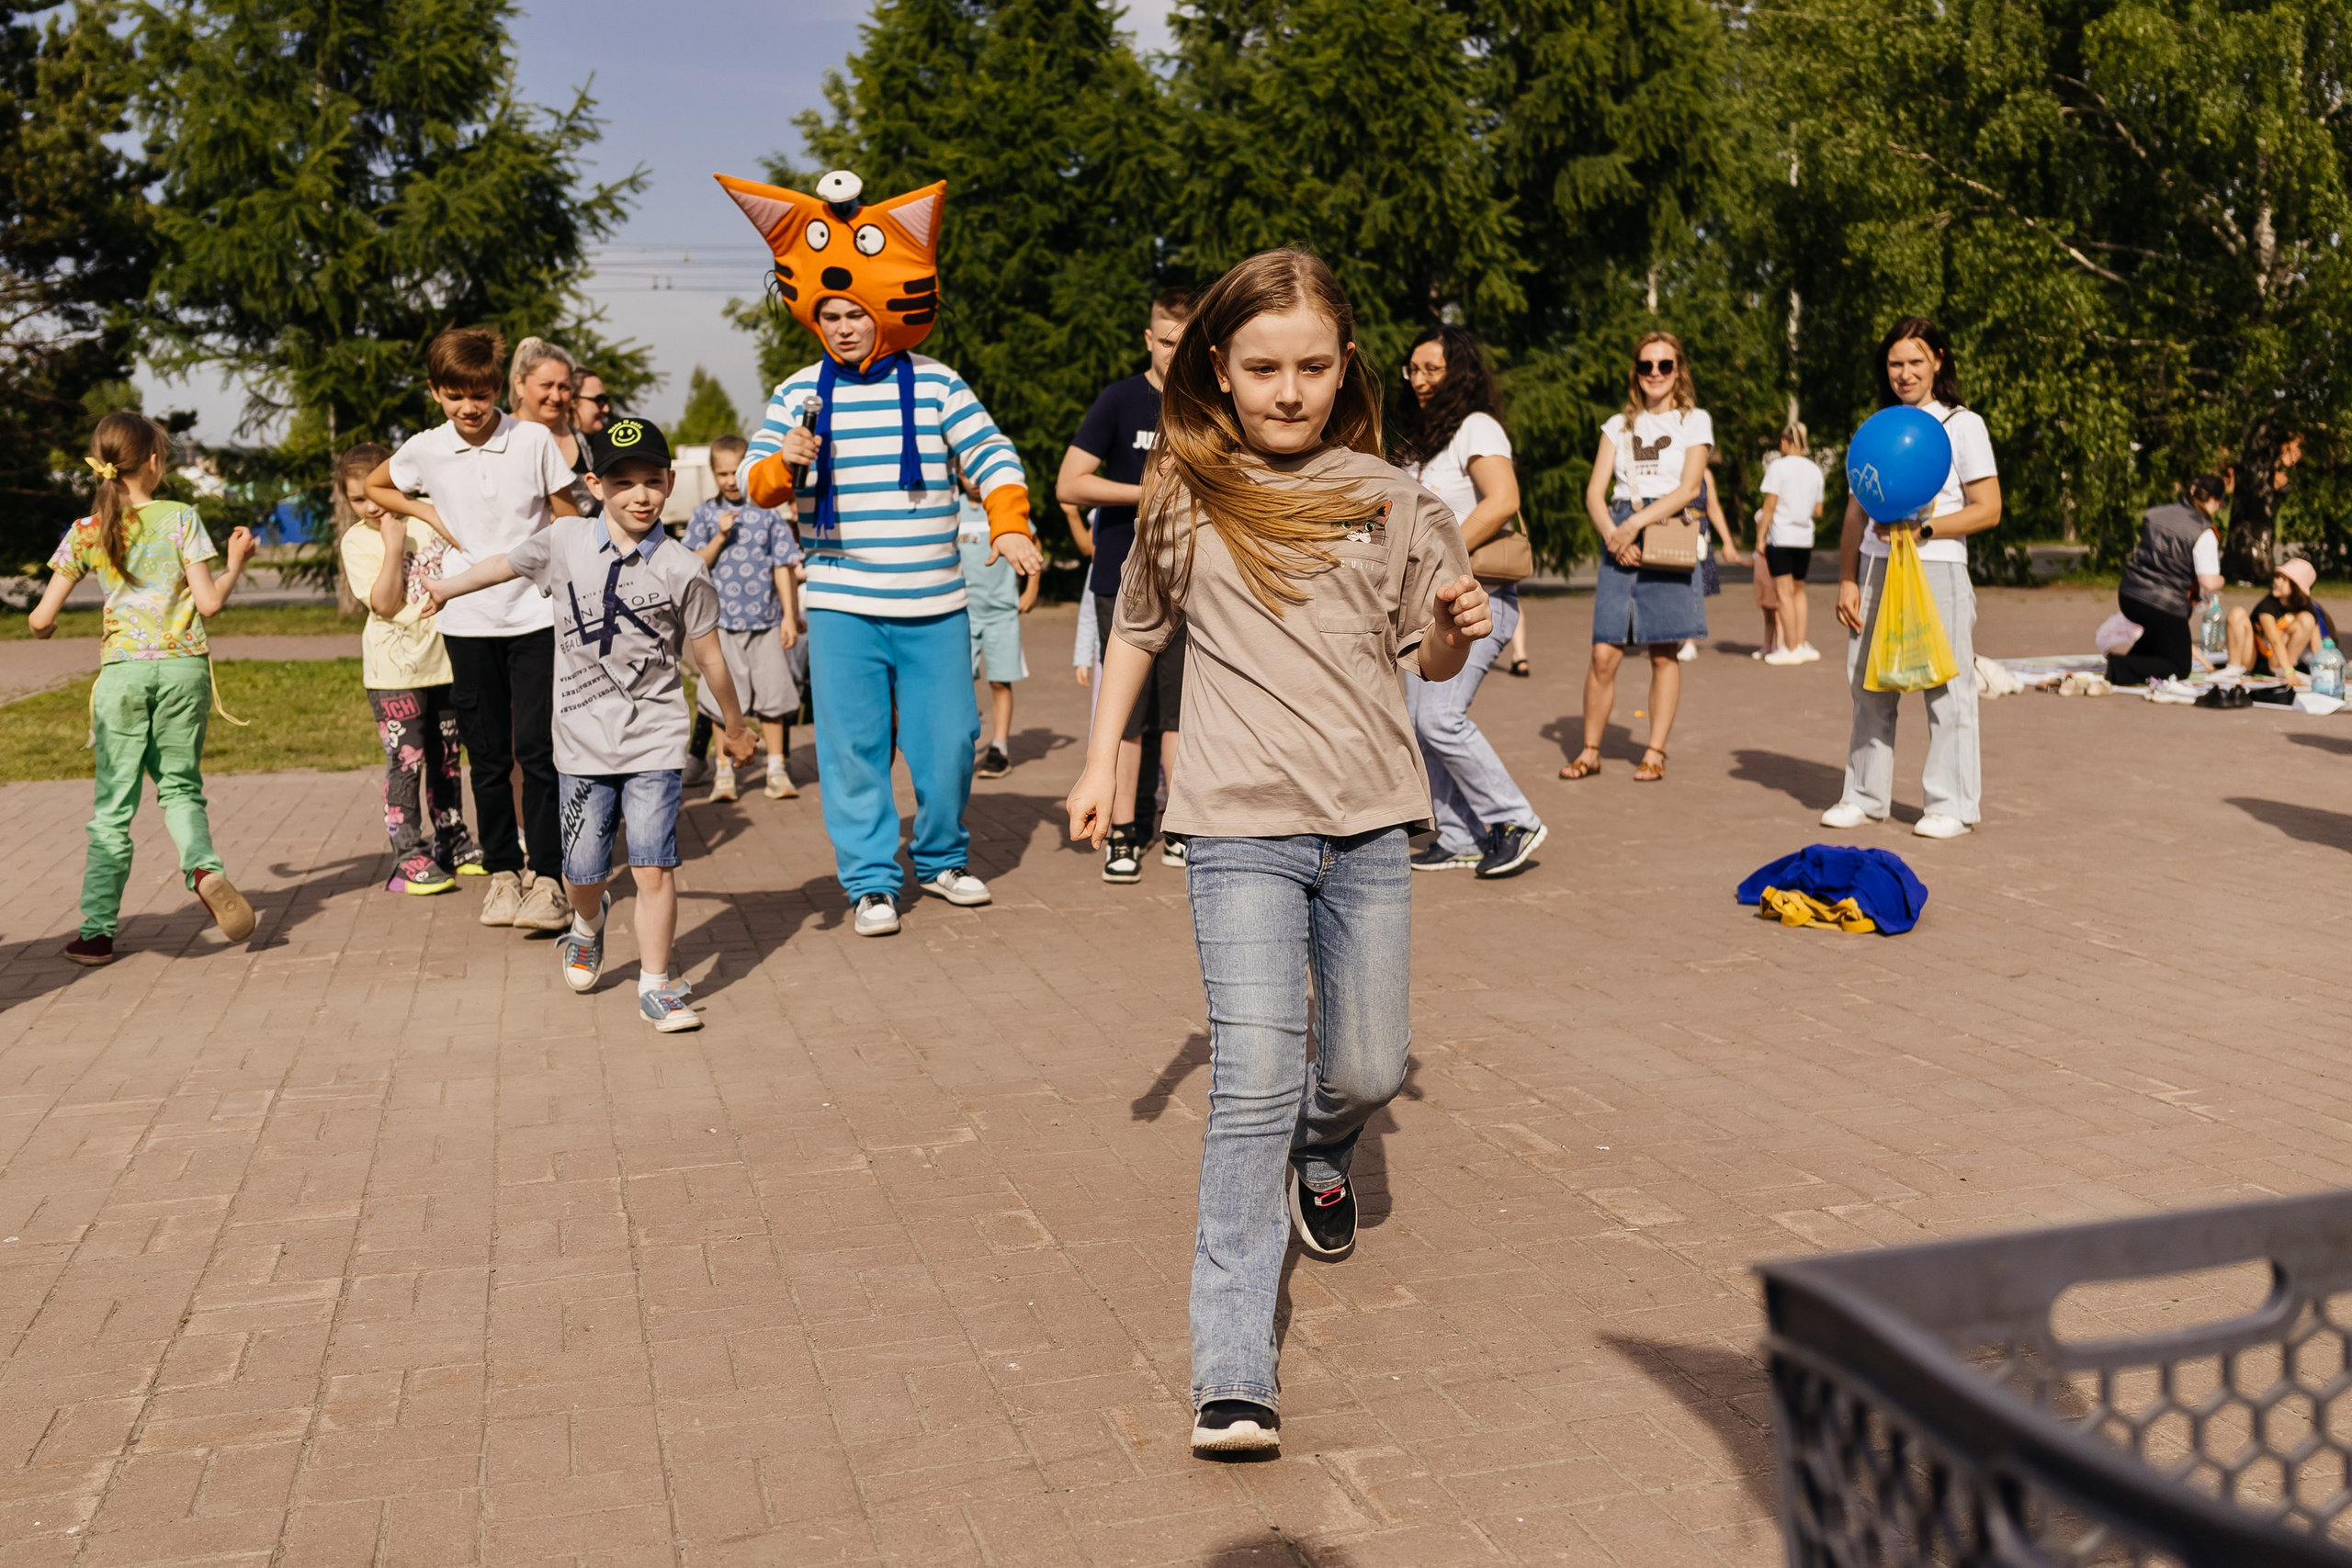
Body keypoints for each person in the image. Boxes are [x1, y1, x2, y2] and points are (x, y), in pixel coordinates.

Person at [1066, 249, 1488, 1459]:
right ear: (1220, 369)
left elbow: (1432, 657)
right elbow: (1139, 630)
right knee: (1250, 1075)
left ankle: (1329, 1136)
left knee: (1366, 1064)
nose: (1288, 390)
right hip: (1236, 821)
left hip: (1367, 823)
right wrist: (1103, 764)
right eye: (1262, 368)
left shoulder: (1396, 496)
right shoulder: (1184, 492)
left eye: (1311, 365)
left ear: (1343, 365)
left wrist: (1459, 632)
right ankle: (1231, 1366)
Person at [720, 166, 1046, 937]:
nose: (841, 326)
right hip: (840, 601)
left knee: (949, 744)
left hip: (934, 600)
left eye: (854, 313)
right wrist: (782, 464)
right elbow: (747, 480)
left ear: (881, 313)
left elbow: (993, 454)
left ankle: (940, 859)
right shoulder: (797, 392)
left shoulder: (937, 384)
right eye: (829, 313)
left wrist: (1008, 520)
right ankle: (870, 880)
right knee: (853, 750)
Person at [427, 419, 755, 1032]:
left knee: (654, 865)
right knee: (583, 871)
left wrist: (733, 726)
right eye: (622, 480)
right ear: (594, 484)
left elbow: (711, 658)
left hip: (655, 738)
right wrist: (446, 588)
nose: (639, 494)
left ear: (668, 483)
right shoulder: (565, 540)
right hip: (579, 742)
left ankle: (656, 985)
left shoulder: (684, 567)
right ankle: (588, 920)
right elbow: (503, 565)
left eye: (651, 481)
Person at [368, 327, 582, 930]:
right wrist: (425, 510)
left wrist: (568, 570)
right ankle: (503, 875)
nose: (470, 407)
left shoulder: (533, 439)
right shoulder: (426, 448)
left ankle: (547, 878)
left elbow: (566, 513)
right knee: (485, 755)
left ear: (498, 390)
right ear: (435, 391)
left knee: (538, 751)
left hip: (536, 612)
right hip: (466, 617)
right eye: (456, 395)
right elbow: (376, 485)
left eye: (482, 394)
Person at [28, 412, 260, 964]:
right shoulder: (182, 517)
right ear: (154, 462)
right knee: (179, 788)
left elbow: (39, 620)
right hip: (183, 671)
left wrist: (51, 626)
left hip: (123, 676)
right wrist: (234, 564)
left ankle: (97, 932)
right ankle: (203, 869)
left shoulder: (87, 530)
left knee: (113, 807)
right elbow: (209, 603)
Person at [1821, 317, 2002, 840]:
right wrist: (1848, 578)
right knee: (1867, 683)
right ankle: (1863, 796)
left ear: (1938, 360)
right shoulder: (1877, 427)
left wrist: (1925, 528)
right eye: (1895, 363)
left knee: (1947, 686)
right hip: (1877, 567)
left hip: (1936, 566)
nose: (1904, 373)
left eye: (1915, 361)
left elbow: (1988, 509)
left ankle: (1953, 805)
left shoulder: (1961, 424)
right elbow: (1857, 510)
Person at [1392, 325, 1545, 877]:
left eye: (1434, 369)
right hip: (1427, 608)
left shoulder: (1477, 427)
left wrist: (1440, 548)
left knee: (1439, 719)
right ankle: (1456, 834)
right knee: (1414, 722)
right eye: (1414, 370)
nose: (1421, 380)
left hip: (1478, 601)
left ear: (1461, 371)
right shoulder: (1418, 438)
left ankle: (1514, 819)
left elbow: (1503, 500)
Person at [1060, 288, 1193, 881]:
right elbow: (1070, 484)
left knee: (1182, 713)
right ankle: (1120, 832)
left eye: (1187, 343)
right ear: (1148, 338)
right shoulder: (1119, 400)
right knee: (1130, 715)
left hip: (1194, 580)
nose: (1175, 353)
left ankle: (1178, 825)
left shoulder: (1210, 404)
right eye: (1167, 341)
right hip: (1124, 575)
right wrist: (1147, 495)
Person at [1560, 332, 1713, 784]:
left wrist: (1635, 526)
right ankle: (1590, 750)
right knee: (1604, 652)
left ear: (1678, 370)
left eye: (1664, 365)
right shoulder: (1618, 425)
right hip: (1621, 527)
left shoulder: (1695, 421)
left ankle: (1655, 750)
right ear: (1636, 371)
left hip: (1669, 525)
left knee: (1664, 651)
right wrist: (1614, 533)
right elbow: (1594, 492)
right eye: (1646, 365)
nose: (1655, 374)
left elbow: (1689, 488)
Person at [337, 443, 483, 896]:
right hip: (394, 674)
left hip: (445, 661)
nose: (370, 507)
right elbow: (383, 603)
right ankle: (407, 856)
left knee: (447, 759)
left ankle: (452, 839)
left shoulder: (428, 519)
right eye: (357, 500)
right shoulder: (358, 540)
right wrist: (392, 546)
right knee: (407, 761)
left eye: (377, 494)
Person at [683, 433, 803, 801]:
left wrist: (789, 615)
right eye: (722, 473)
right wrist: (719, 538)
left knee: (774, 698)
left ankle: (777, 769)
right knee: (720, 702)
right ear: (713, 474)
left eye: (736, 472)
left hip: (765, 623)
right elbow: (693, 564)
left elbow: (783, 565)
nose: (730, 480)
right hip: (720, 627)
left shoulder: (767, 513)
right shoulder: (705, 514)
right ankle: (724, 774)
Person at [955, 448, 1036, 778]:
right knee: (961, 681)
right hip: (963, 612)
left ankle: (999, 746)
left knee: (1000, 681)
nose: (974, 482)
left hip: (1001, 611)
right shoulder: (953, 509)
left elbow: (1032, 544)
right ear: (958, 475)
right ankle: (960, 743)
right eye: (966, 475)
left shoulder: (1000, 507)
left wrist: (1031, 589)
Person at [2107, 475, 2228, 684]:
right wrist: (2223, 580)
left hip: (2129, 594)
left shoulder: (2157, 514)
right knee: (2180, 665)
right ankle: (2120, 667)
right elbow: (2208, 582)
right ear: (2216, 501)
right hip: (2163, 604)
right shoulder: (2204, 531)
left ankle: (2133, 660)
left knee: (2162, 634)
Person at [1758, 424, 1826, 665]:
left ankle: (1789, 646)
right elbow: (1818, 510)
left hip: (1782, 536)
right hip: (1805, 538)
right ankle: (1800, 642)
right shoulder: (1815, 470)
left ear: (1785, 441)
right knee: (1799, 590)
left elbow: (1769, 506)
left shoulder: (1778, 467)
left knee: (1783, 593)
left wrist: (1759, 537)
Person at [512, 336, 599, 517]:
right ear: (520, 385)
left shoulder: (587, 444)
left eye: (564, 387)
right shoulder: (499, 437)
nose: (556, 396)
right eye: (546, 385)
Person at [2231, 558, 2335, 683]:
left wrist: (2326, 672)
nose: (2276, 581)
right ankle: (2233, 669)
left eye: (2283, 579)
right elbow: (2274, 640)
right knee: (2237, 612)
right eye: (2277, 576)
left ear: (2296, 586)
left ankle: (2281, 670)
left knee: (2307, 619)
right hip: (2252, 659)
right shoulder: (2267, 605)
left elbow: (2316, 646)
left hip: (2277, 664)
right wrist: (2289, 672)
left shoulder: (2308, 609)